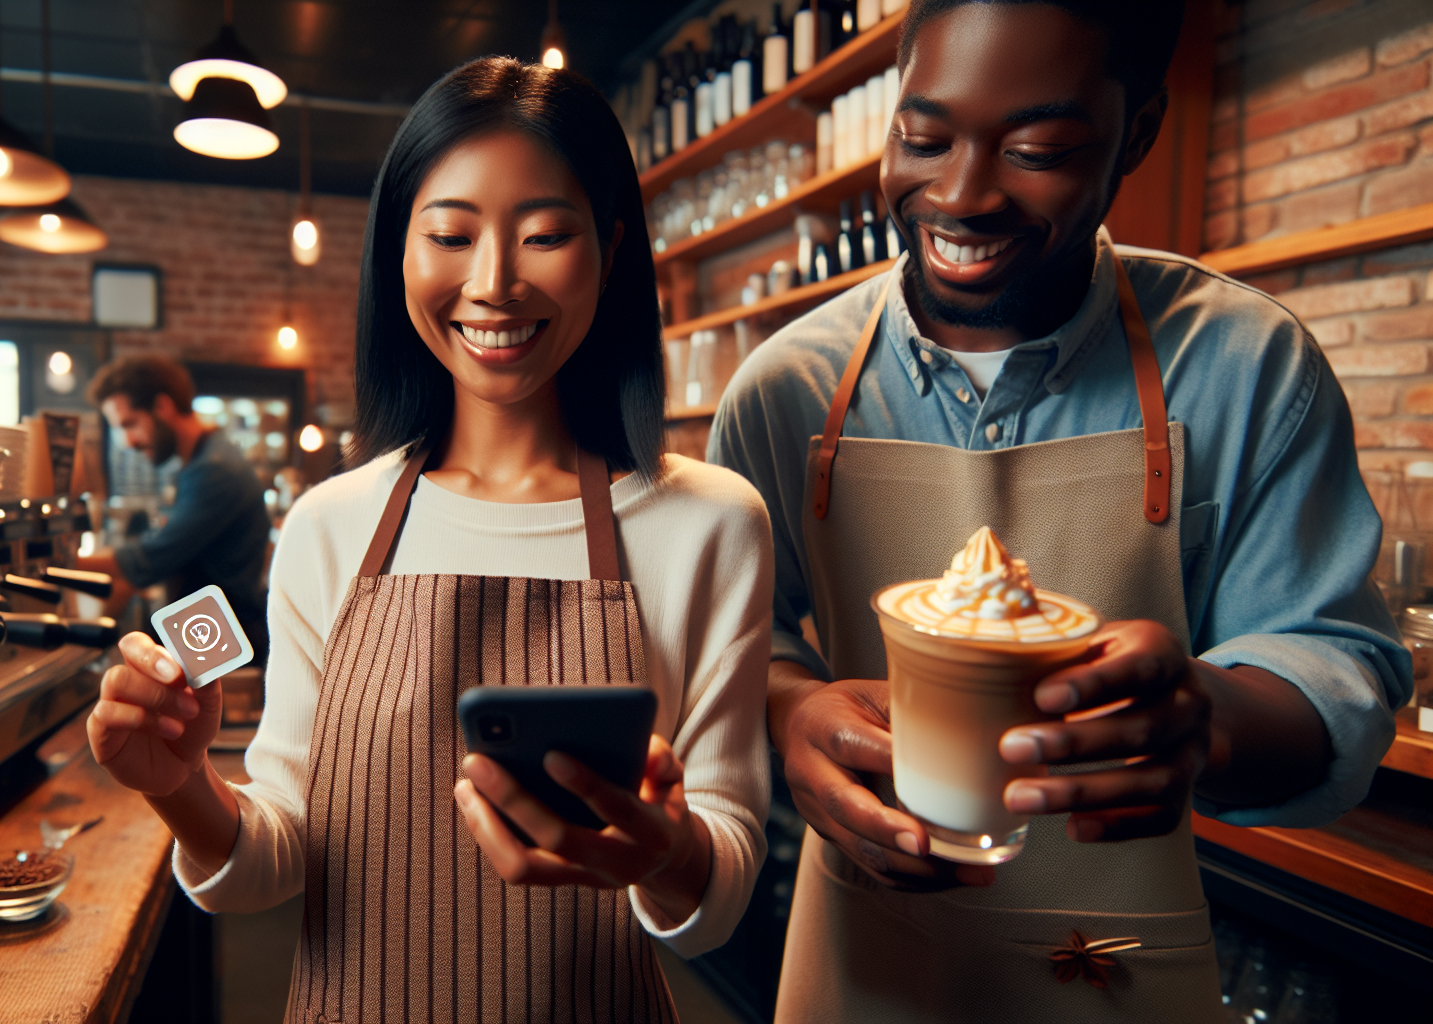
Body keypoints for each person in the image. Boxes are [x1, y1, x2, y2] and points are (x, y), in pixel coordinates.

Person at [707, 1, 1411, 1021]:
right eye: (922, 136)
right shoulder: (782, 391)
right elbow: (742, 643)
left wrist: (1204, 721)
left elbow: (1331, 662)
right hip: (865, 959)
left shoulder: (1245, 365)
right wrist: (790, 712)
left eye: (1037, 148)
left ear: (1137, 132)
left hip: (1116, 964)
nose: (959, 192)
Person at [88, 57, 773, 1022]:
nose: (493, 285)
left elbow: (720, 890)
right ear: (397, 255)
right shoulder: (332, 524)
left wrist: (669, 853)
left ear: (610, 252)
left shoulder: (710, 522)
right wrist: (183, 790)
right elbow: (279, 854)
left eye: (545, 235)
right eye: (450, 235)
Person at [79, 355, 272, 664]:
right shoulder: (204, 460)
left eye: (130, 424)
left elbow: (147, 562)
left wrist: (61, 565)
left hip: (222, 640)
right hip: (211, 631)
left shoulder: (214, 471)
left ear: (162, 407)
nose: (128, 442)